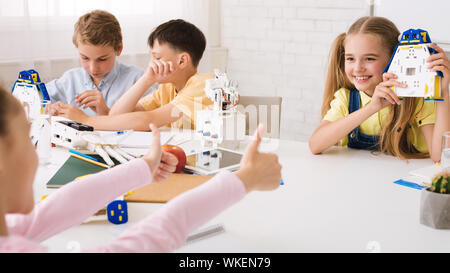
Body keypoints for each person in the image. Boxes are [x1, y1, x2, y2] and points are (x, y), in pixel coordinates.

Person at [0, 87, 282, 252]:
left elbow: (59, 208)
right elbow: (152, 237)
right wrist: (245, 179)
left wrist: (143, 168)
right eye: (28, 137)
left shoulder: (9, 232)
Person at [309, 16, 450, 161]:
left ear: (393, 59)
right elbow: (315, 145)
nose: (358, 68)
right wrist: (372, 107)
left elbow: (440, 157)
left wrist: (443, 91)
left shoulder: (419, 99)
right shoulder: (345, 98)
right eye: (350, 58)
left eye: (370, 58)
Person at [53, 19, 214, 131]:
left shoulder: (204, 85)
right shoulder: (166, 90)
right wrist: (146, 79)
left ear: (182, 61)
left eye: (156, 58)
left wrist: (85, 120)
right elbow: (116, 116)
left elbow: (146, 120)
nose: (151, 64)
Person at [46, 10, 155, 116]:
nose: (93, 69)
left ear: (119, 48)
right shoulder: (70, 79)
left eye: (102, 59)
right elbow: (36, 97)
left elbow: (150, 121)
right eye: (85, 58)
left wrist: (106, 112)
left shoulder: (138, 80)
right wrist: (49, 107)